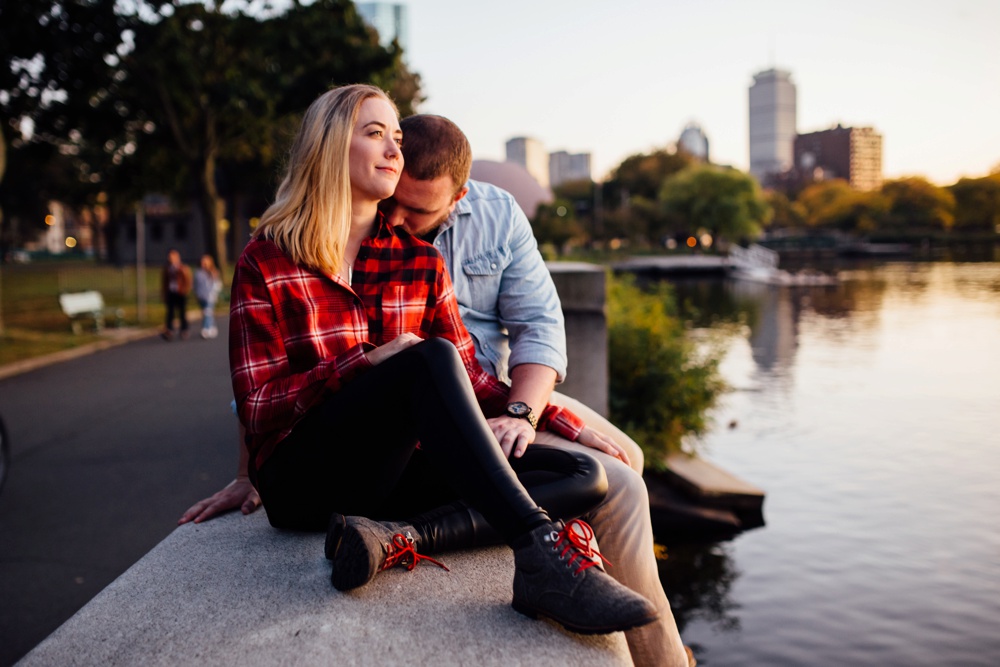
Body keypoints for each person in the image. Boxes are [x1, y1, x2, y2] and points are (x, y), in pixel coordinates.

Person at [182, 113, 694, 666]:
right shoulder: (270, 256)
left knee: (591, 473)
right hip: (316, 467)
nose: (392, 156)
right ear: (330, 149)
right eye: (375, 134)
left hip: (445, 428)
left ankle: (402, 537)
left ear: (455, 196)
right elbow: (257, 397)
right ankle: (544, 557)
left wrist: (537, 415)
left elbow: (507, 351)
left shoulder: (425, 256)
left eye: (394, 138)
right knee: (429, 356)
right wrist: (359, 369)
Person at [161, 248, 192, 340]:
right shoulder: (167, 268)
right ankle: (169, 329)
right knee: (170, 312)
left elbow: (187, 280)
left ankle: (184, 329)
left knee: (182, 312)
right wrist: (164, 293)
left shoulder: (182, 268)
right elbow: (164, 281)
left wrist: (185, 290)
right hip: (171, 292)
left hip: (180, 292)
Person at [193, 253, 223, 339]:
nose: (203, 264)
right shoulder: (198, 273)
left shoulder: (214, 272)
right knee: (206, 313)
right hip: (201, 296)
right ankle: (211, 326)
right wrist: (197, 294)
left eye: (205, 263)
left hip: (210, 297)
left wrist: (214, 293)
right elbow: (196, 285)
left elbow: (217, 285)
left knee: (207, 312)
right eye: (202, 263)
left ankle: (205, 329)